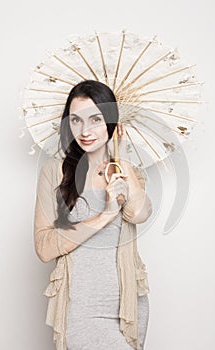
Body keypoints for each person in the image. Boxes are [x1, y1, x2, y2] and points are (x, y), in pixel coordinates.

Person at [34, 80, 153, 350]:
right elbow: (43, 248)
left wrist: (119, 156)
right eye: (76, 120)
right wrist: (105, 214)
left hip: (130, 305)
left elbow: (139, 213)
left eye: (96, 119)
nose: (85, 131)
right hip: (81, 304)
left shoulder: (127, 171)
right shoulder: (54, 171)